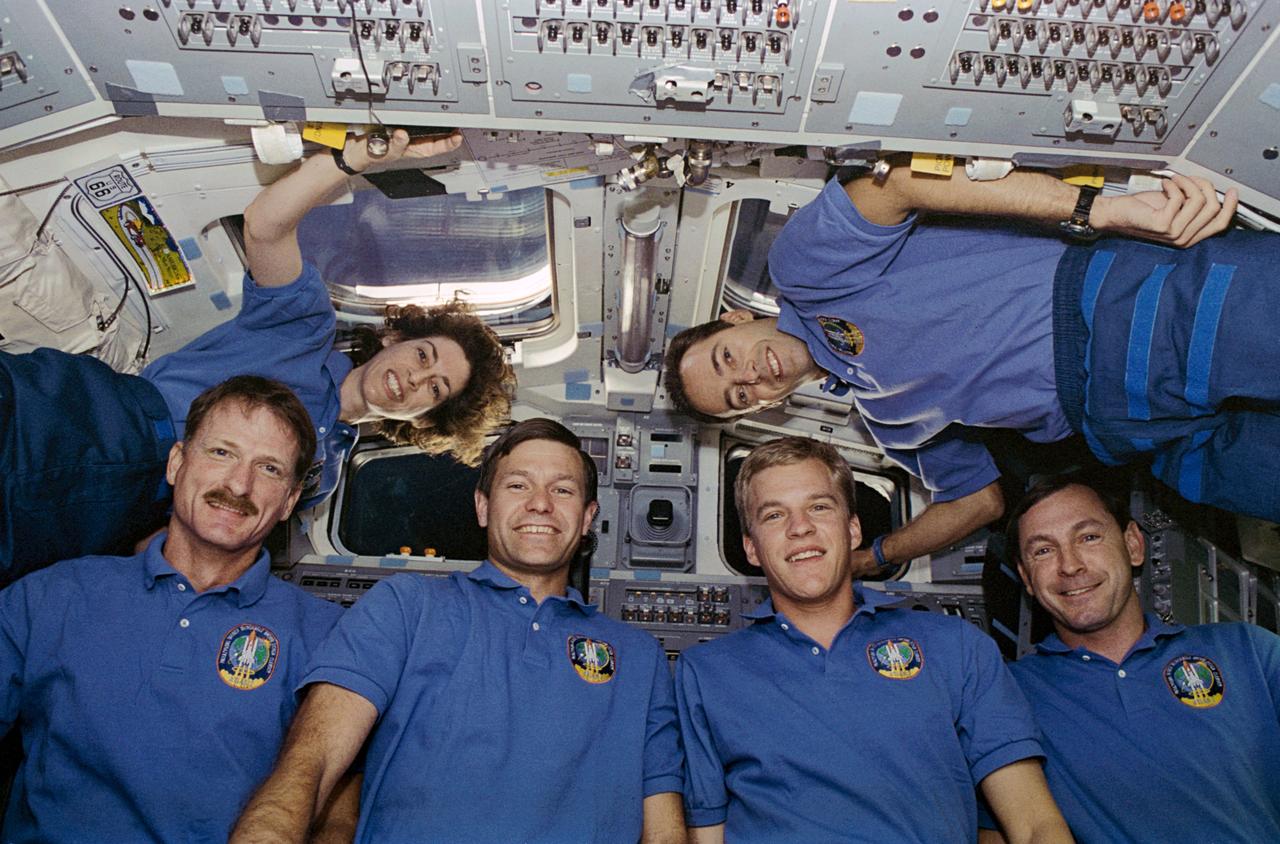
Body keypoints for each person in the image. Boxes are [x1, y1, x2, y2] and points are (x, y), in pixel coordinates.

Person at [663, 159, 1276, 578]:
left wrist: (1098, 211)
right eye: (738, 396)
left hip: (1117, 308)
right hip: (1125, 429)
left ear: (732, 318)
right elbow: (976, 502)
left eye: (726, 359)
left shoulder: (804, 270)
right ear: (766, 410)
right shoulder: (888, 419)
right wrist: (870, 558)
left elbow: (895, 184)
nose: (748, 376)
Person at [0, 129, 515, 583]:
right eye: (424, 356)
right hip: (100, 420)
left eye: (435, 390)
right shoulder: (306, 327)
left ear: (424, 419)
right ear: (393, 338)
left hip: (115, 512)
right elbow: (266, 225)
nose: (415, 378)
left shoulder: (321, 476)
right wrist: (351, 160)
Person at [230, 418, 686, 843]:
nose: (540, 503)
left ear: (587, 519)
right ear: (483, 507)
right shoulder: (406, 607)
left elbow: (664, 828)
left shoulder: (639, 657)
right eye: (518, 485)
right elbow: (312, 761)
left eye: (562, 490)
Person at [0, 375, 350, 841]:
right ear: (176, 463)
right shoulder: (54, 595)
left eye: (269, 469)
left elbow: (344, 789)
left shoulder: (327, 636)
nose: (239, 484)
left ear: (288, 502)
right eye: (221, 452)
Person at [674, 436, 1071, 843]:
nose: (800, 527)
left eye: (819, 507)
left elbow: (1035, 825)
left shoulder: (957, 647)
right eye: (774, 515)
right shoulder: (706, 674)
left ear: (852, 530)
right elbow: (707, 834)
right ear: (751, 548)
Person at [987, 475, 1280, 843]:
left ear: (1133, 545)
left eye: (1088, 537)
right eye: (1043, 551)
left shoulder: (1247, 651)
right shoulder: (1007, 694)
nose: (1070, 565)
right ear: (1026, 578)